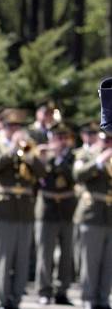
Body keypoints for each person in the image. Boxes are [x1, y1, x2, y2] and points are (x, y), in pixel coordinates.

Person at [0, 108, 45, 309]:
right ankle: (3, 299)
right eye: (11, 126)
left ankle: (17, 298)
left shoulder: (28, 146)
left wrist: (28, 152)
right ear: (2, 125)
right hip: (3, 207)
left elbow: (41, 172)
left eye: (18, 126)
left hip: (25, 208)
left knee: (21, 257)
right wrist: (12, 148)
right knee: (4, 256)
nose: (16, 130)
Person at [34, 122, 76, 305]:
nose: (60, 142)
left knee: (66, 254)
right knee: (45, 253)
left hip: (67, 210)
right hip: (47, 209)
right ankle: (44, 290)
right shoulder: (43, 155)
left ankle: (62, 291)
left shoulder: (72, 157)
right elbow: (37, 176)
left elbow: (74, 177)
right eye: (57, 138)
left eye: (63, 138)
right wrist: (42, 158)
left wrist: (61, 158)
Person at [73, 130, 112, 309]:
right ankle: (88, 298)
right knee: (90, 260)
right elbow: (78, 174)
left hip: (109, 215)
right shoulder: (86, 154)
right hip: (92, 214)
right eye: (106, 139)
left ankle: (103, 298)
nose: (109, 142)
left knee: (108, 261)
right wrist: (99, 161)